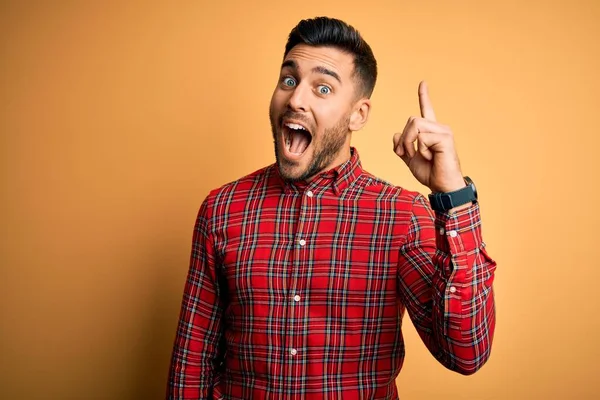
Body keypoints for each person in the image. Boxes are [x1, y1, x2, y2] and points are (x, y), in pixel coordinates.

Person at [167, 16, 496, 400]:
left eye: (322, 88)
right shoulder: (222, 209)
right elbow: (193, 363)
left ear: (358, 114)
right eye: (289, 80)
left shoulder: (402, 216)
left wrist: (453, 195)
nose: (295, 99)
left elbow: (466, 351)